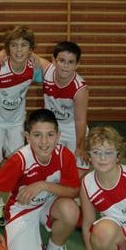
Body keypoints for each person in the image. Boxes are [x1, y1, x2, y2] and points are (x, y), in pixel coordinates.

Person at [0, 108, 83, 250]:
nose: (44, 141)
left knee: (71, 209)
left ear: (58, 136)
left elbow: (73, 190)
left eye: (50, 135)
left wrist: (44, 185)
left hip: (49, 202)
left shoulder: (64, 155)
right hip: (22, 208)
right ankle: (17, 239)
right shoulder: (19, 160)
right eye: (37, 135)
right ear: (27, 137)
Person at [0, 26, 42, 178]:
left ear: (30, 49)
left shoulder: (33, 69)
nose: (19, 50)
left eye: (24, 45)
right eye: (14, 45)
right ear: (8, 48)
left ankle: (10, 199)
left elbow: (53, 74)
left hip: (16, 122)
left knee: (16, 163)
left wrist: (37, 58)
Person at [34, 41, 89, 174]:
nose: (65, 66)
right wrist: (2, 53)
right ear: (53, 60)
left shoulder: (80, 89)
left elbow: (80, 120)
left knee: (77, 174)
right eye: (62, 60)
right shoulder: (47, 70)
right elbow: (26, 54)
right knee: (50, 170)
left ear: (77, 64)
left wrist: (80, 146)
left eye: (71, 62)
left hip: (73, 131)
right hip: (52, 129)